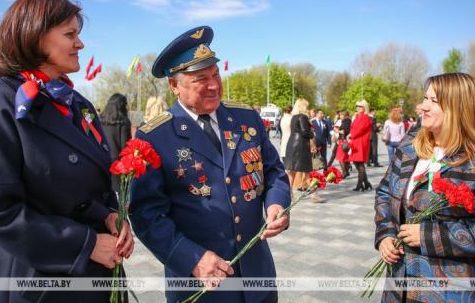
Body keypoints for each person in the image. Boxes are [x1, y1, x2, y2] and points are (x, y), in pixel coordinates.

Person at [0, 0, 134, 303]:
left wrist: (109, 216)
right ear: (34, 37)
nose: (80, 44)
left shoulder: (77, 104)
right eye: (70, 34)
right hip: (35, 283)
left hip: (94, 276)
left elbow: (89, 187)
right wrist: (86, 244)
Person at [128, 26, 290, 303]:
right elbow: (146, 214)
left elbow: (274, 171)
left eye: (216, 74)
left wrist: (277, 202)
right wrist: (190, 257)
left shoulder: (246, 119)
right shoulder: (155, 136)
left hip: (257, 276)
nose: (214, 85)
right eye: (201, 78)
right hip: (201, 284)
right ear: (174, 85)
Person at [375, 72, 475, 302]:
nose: (422, 107)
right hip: (400, 283)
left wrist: (428, 236)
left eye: (434, 101)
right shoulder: (410, 147)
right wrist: (386, 236)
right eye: (425, 98)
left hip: (455, 290)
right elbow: (384, 192)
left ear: (459, 108)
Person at [284, 98, 324, 202]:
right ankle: (314, 195)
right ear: (303, 106)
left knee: (291, 172)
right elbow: (305, 132)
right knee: (307, 172)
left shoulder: (293, 117)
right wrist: (312, 133)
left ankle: (288, 194)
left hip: (292, 144)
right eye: (306, 106)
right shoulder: (303, 117)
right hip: (301, 146)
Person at [101, 93, 132, 193]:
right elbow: (125, 147)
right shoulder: (124, 122)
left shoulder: (100, 120)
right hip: (118, 164)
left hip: (101, 159)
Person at [349, 100, 373, 191]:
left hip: (361, 142)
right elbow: (353, 128)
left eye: (360, 106)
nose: (358, 108)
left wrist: (351, 135)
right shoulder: (358, 116)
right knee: (357, 162)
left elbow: (360, 130)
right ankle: (366, 183)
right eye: (357, 106)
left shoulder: (365, 118)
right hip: (356, 141)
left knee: (359, 163)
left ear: (365, 108)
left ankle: (360, 185)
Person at [335, 110, 352, 178]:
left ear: (344, 115)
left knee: (340, 157)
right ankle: (346, 171)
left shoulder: (346, 121)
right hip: (345, 140)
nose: (340, 116)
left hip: (343, 141)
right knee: (345, 157)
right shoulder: (347, 121)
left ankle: (344, 172)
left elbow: (345, 131)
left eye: (341, 115)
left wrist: (337, 130)